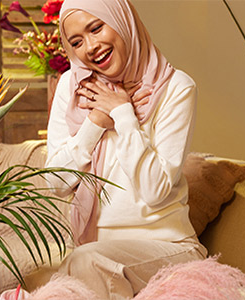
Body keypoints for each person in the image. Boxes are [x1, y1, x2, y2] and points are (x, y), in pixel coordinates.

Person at [43, 0, 207, 298]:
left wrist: (122, 114)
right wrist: (95, 121)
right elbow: (55, 183)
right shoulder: (72, 87)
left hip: (166, 248)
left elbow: (154, 190)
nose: (90, 47)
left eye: (96, 28)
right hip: (93, 250)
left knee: (85, 261)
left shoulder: (175, 88)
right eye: (77, 42)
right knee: (79, 264)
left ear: (122, 20)